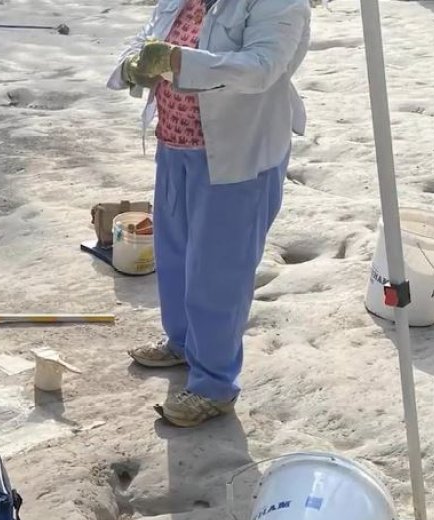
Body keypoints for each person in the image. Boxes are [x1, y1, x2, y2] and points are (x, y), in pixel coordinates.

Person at [107, 0, 311, 427]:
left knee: (218, 272)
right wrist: (133, 63)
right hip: (176, 146)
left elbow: (262, 66)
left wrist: (178, 60)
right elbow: (148, 37)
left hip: (238, 157)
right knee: (177, 253)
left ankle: (214, 385)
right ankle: (183, 342)